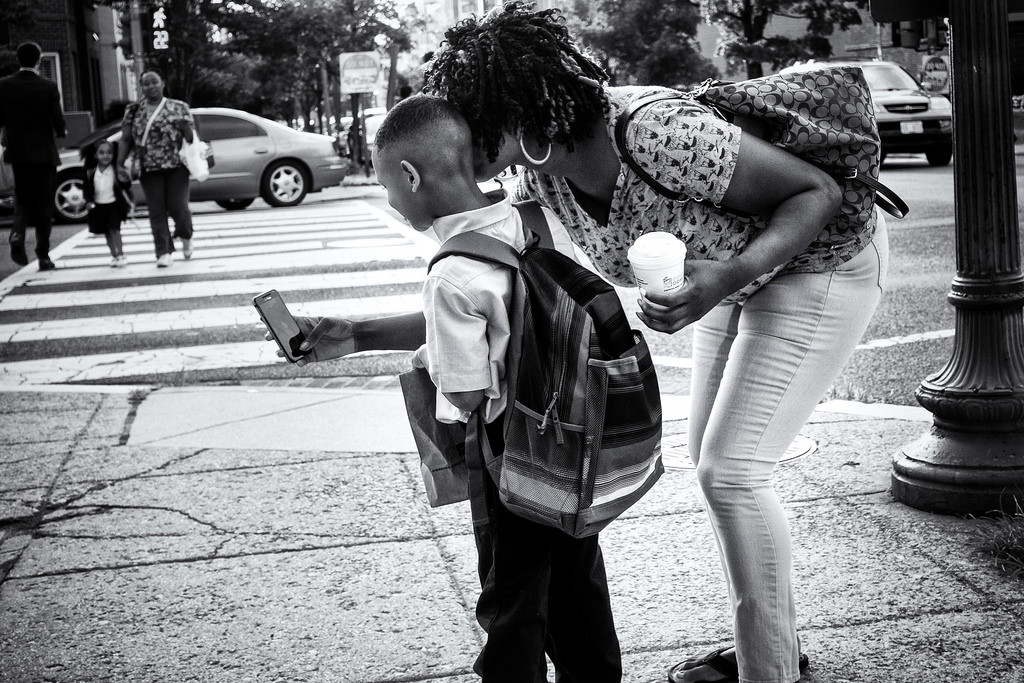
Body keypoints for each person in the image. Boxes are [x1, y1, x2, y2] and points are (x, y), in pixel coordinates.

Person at [281, 4, 888, 682]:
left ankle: (768, 670)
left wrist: (724, 279)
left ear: (514, 114)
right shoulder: (540, 180)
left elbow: (817, 191)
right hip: (731, 276)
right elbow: (502, 296)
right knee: (712, 460)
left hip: (818, 260)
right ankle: (770, 640)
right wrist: (358, 333)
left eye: (473, 122)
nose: (462, 141)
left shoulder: (653, 133)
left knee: (732, 471)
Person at [349, 93, 625, 682]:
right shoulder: (537, 218)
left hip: (512, 455)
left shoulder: (450, 276)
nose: (391, 200)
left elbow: (468, 394)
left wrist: (433, 358)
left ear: (410, 176)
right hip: (574, 435)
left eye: (388, 186)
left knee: (512, 596)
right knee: (578, 578)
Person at [116, 70, 195, 268]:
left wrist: (185, 128)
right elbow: (126, 138)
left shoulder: (179, 107)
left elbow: (191, 139)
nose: (151, 86)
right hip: (148, 168)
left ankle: (186, 235)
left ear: (162, 83)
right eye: (146, 83)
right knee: (157, 210)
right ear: (141, 87)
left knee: (179, 208)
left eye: (154, 82)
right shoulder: (134, 110)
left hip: (176, 166)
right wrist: (119, 163)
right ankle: (163, 252)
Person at [0, 41, 67, 271]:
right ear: (39, 60)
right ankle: (43, 255)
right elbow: (58, 121)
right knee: (44, 204)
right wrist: (61, 131)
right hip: (43, 154)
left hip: (18, 154)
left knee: (22, 198)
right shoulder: (48, 87)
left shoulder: (4, 85)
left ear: (18, 60)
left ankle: (17, 233)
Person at [82, 140, 131, 267]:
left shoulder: (115, 170)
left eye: (109, 152)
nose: (106, 156)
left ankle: (121, 254)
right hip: (99, 206)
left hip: (114, 205)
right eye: (102, 153)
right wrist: (88, 201)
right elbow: (87, 189)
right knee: (107, 232)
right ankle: (114, 255)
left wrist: (125, 179)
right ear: (95, 155)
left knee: (115, 229)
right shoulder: (91, 172)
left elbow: (125, 186)